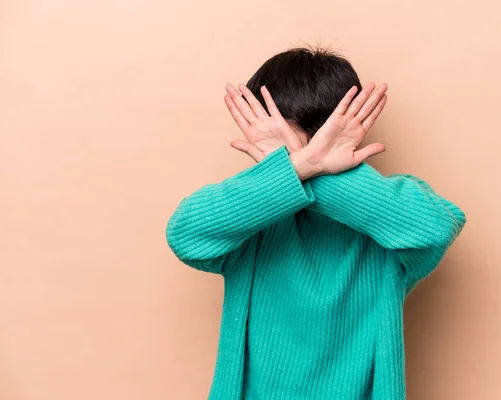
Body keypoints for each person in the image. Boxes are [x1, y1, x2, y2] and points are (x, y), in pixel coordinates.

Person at [165, 46, 467, 400]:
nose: (302, 154)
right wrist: (301, 167)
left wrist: (304, 169)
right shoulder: (249, 217)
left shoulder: (386, 216)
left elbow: (436, 228)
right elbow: (185, 234)